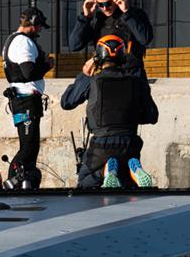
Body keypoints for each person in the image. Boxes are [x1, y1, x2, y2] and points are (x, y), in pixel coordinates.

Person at [61, 34, 158, 188]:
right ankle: (132, 172)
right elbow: (152, 116)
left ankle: (104, 172)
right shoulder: (136, 81)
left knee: (85, 181)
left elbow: (66, 102)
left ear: (98, 57)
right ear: (122, 56)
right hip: (130, 144)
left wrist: (84, 75)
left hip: (102, 144)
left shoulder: (92, 82)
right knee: (126, 183)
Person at [1, 6, 53, 187]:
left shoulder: (13, 39)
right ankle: (12, 182)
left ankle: (25, 181)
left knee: (30, 145)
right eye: (39, 27)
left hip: (22, 99)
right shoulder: (23, 42)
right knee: (28, 146)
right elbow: (28, 72)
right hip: (26, 100)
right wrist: (47, 65)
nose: (39, 31)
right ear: (33, 24)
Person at [69, 0, 153, 78]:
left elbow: (145, 39)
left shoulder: (134, 14)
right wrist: (85, 18)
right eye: (101, 5)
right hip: (107, 74)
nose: (105, 8)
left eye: (108, 3)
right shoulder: (97, 20)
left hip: (132, 74)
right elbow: (75, 45)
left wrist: (127, 13)